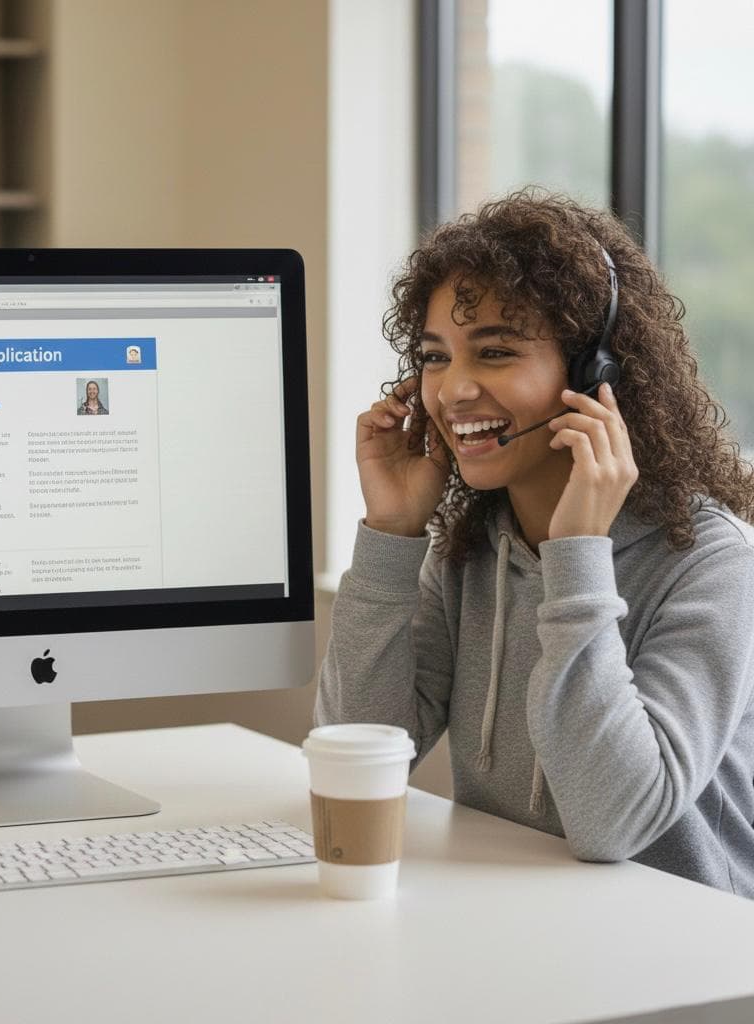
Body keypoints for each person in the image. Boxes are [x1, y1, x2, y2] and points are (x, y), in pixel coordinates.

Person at [315, 189, 754, 897]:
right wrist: (391, 537)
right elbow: (360, 755)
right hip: (522, 928)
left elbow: (616, 820)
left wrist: (576, 556)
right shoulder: (473, 548)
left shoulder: (711, 561)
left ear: (596, 376)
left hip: (686, 963)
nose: (452, 390)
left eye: (495, 352)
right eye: (434, 357)